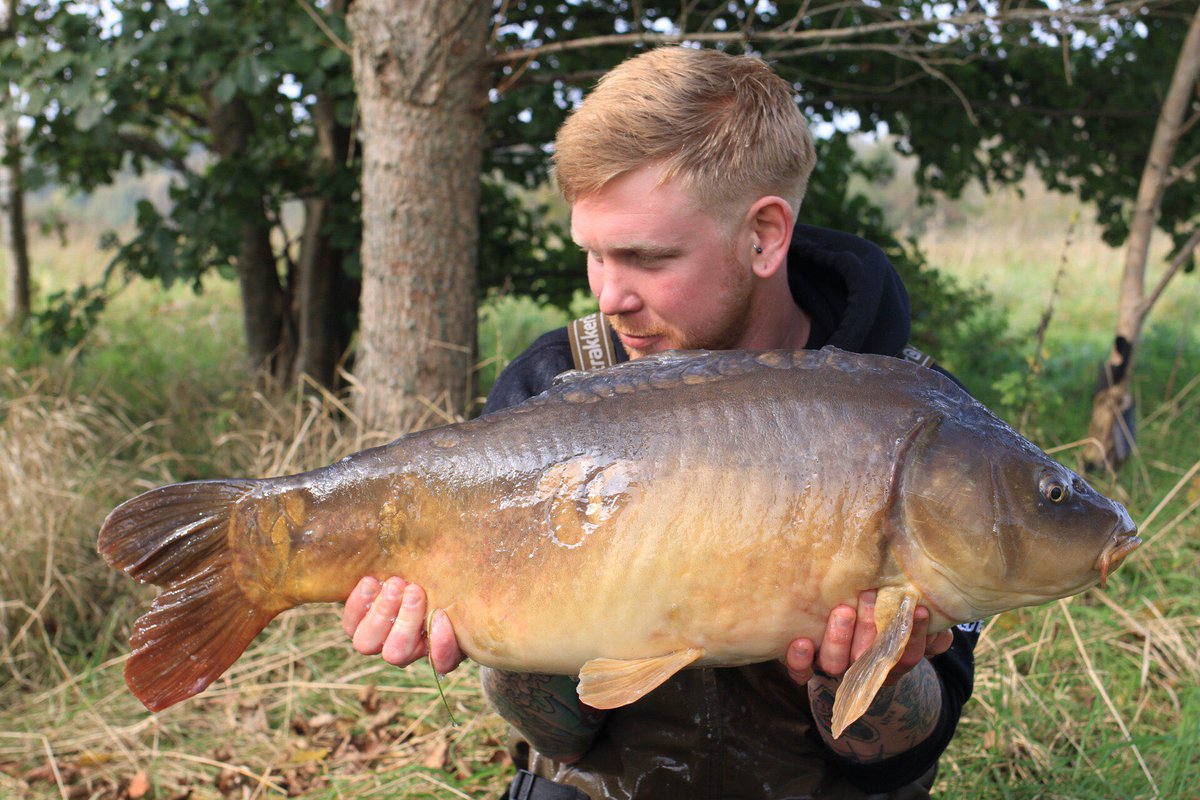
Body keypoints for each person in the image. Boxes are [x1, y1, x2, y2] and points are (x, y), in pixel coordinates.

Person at [342, 46, 979, 799]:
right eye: (596, 256)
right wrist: (499, 645)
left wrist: (865, 675)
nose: (610, 296)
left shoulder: (919, 423)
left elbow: (907, 752)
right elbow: (558, 737)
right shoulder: (552, 387)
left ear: (765, 235)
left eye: (646, 258)